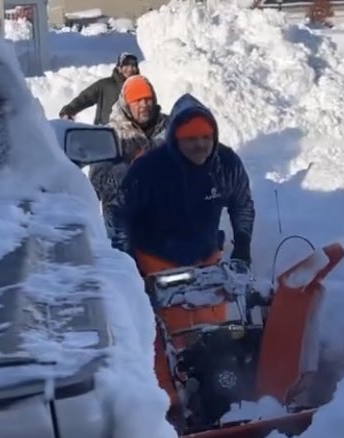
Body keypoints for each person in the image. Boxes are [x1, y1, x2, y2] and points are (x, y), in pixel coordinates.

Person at [109, 93, 254, 275]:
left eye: (206, 137)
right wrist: (128, 263)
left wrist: (242, 248)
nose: (200, 145)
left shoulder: (225, 164)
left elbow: (242, 205)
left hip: (206, 265)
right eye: (191, 139)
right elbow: (119, 213)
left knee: (214, 303)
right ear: (175, 141)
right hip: (154, 267)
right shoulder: (148, 168)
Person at [89, 75, 169, 225]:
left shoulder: (171, 127)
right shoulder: (110, 135)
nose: (144, 104)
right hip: (124, 227)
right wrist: (130, 170)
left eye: (148, 99)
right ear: (126, 104)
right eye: (137, 100)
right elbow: (96, 183)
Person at [59, 52, 139, 125]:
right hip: (106, 133)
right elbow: (85, 97)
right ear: (119, 68)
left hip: (133, 135)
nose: (130, 69)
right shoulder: (105, 85)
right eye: (126, 65)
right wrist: (68, 110)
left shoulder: (140, 87)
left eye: (133, 65)